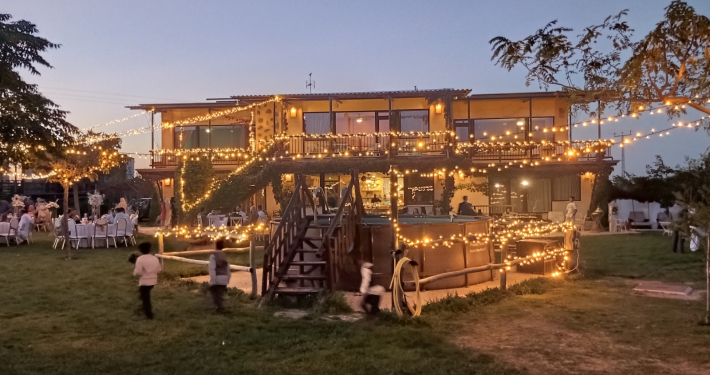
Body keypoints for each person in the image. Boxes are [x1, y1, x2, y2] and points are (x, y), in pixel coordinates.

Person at [132, 242, 161, 319]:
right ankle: (142, 304)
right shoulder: (155, 258)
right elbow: (159, 269)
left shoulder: (140, 259)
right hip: (153, 281)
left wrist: (134, 273)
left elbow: (138, 272)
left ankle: (149, 315)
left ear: (140, 250)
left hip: (144, 282)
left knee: (146, 299)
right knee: (144, 294)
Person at [208, 239, 231, 313]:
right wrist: (228, 278)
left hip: (217, 277)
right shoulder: (224, 256)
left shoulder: (213, 256)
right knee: (219, 294)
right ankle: (220, 307)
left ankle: (220, 308)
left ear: (215, 245)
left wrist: (213, 280)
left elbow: (212, 268)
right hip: (224, 277)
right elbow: (228, 268)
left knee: (215, 294)